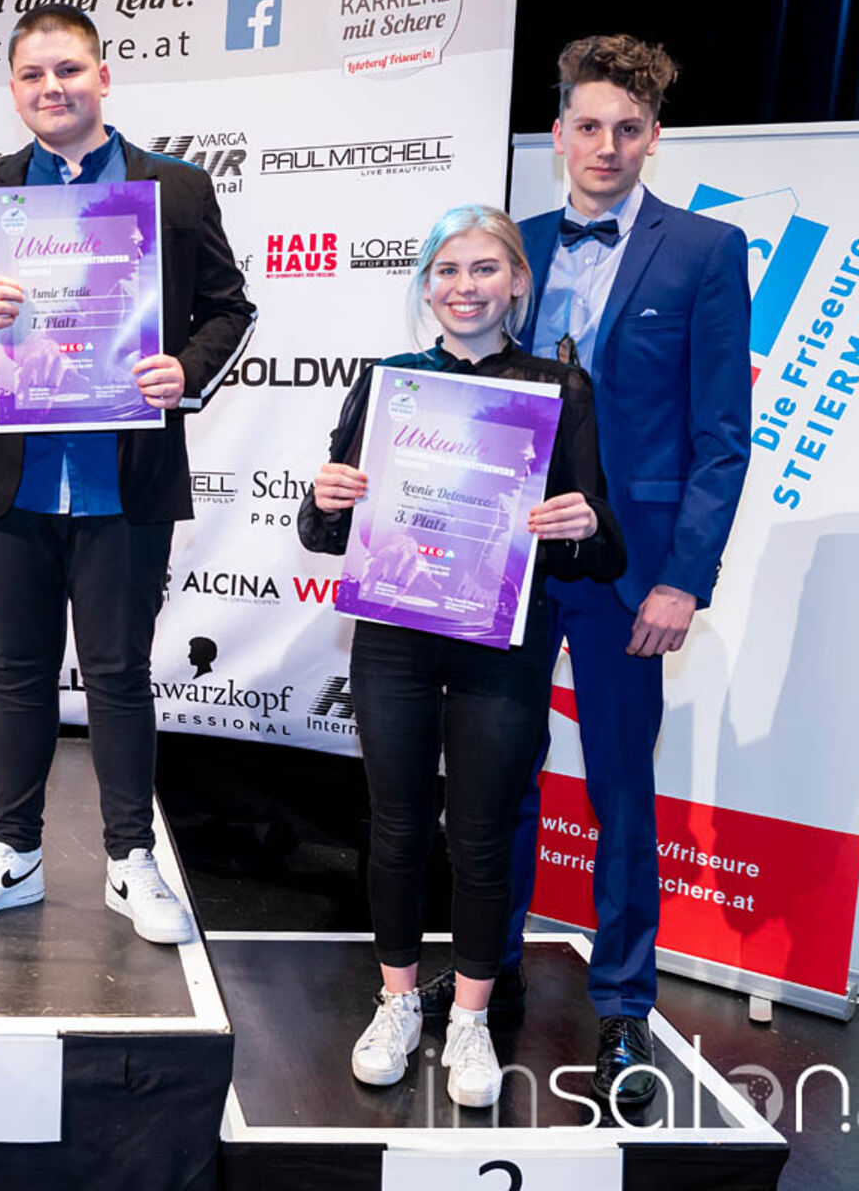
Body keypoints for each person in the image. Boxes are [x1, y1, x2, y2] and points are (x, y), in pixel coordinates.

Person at [413, 36, 752, 1108]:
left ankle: (623, 1005)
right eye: (589, 126)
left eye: (628, 128)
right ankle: (491, 967)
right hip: (505, 561)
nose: (607, 145)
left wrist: (683, 579)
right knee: (494, 781)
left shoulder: (706, 250)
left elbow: (723, 436)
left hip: (629, 573)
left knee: (619, 790)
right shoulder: (511, 245)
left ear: (654, 138)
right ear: (558, 134)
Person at [0, 4, 256, 943]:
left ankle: (129, 860)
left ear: (103, 77)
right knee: (19, 677)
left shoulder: (174, 189)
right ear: (13, 88)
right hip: (10, 484)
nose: (51, 88)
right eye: (32, 75)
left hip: (124, 480)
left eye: (68, 70)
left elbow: (232, 308)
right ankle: (14, 855)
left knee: (119, 677)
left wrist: (186, 371)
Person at [298, 204, 626, 1107]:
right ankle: (398, 1002)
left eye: (485, 269)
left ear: (518, 282)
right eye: (447, 270)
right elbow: (325, 534)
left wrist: (584, 522)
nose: (465, 286)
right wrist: (326, 497)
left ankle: (472, 1018)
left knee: (481, 835)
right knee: (397, 827)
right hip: (395, 641)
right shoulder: (390, 382)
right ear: (426, 285)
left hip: (501, 648)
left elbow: (601, 552)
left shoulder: (560, 390)